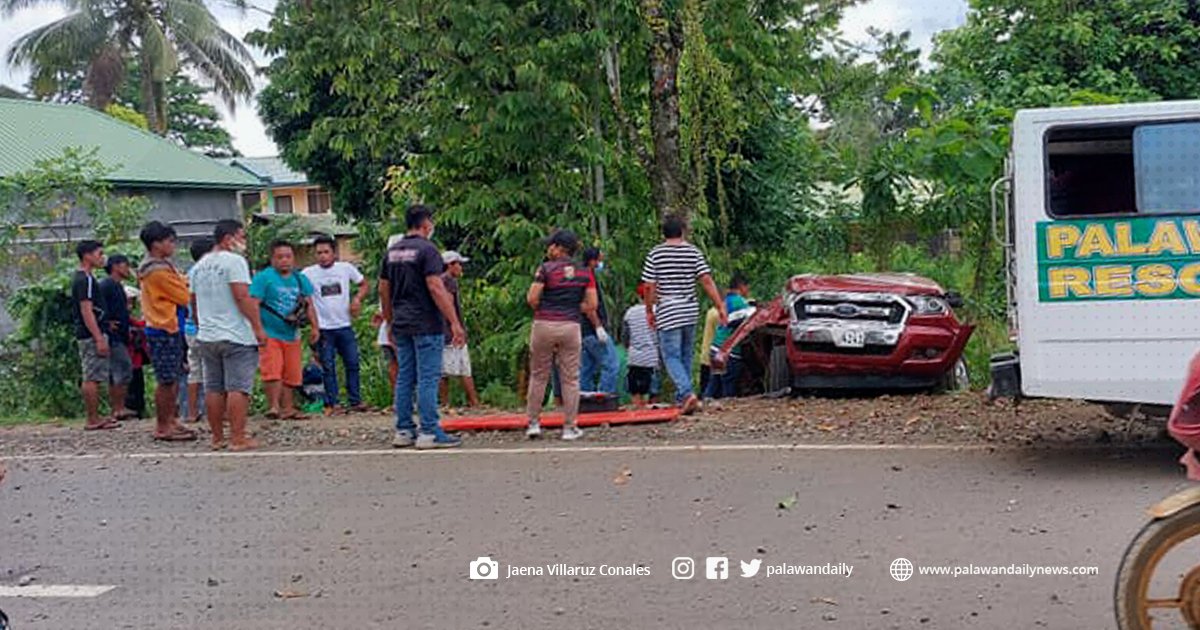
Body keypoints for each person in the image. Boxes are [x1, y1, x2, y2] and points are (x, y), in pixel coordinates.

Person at [379, 205, 466, 449]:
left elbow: (383, 289)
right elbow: (436, 287)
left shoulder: (392, 252)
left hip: (401, 322)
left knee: (405, 375)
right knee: (428, 377)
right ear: (426, 223)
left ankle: (404, 429)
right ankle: (429, 431)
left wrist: (389, 321)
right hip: (426, 322)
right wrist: (454, 322)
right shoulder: (428, 250)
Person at [192, 220, 267, 451]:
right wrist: (257, 328)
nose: (243, 243)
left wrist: (201, 325)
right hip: (235, 334)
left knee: (214, 387)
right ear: (227, 238)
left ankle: (217, 438)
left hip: (207, 334)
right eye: (241, 237)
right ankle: (237, 437)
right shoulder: (235, 262)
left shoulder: (199, 266)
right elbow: (242, 297)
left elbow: (193, 303)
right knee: (238, 387)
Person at [640, 214, 726, 415]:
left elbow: (648, 286)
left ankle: (686, 393)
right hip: (689, 309)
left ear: (664, 232)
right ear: (683, 231)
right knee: (686, 354)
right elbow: (706, 280)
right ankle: (684, 398)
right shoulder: (693, 252)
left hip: (668, 310)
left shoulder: (656, 254)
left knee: (670, 355)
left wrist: (649, 310)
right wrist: (720, 305)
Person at [525, 229, 598, 441]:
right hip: (571, 326)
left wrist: (547, 306)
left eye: (551, 245)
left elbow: (532, 298)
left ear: (559, 248)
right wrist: (573, 307)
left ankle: (533, 423)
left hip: (544, 324)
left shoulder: (545, 269)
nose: (549, 249)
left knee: (539, 375)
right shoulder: (585, 273)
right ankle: (569, 426)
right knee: (570, 378)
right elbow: (593, 304)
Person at [137, 221, 196, 442]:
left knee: (173, 376)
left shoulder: (162, 266)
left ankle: (170, 420)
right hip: (162, 328)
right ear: (156, 244)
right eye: (169, 241)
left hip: (170, 326)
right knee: (166, 380)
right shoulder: (157, 271)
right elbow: (182, 294)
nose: (173, 246)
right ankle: (163, 426)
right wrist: (183, 282)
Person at [251, 239, 319, 420]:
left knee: (292, 372)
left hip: (291, 333)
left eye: (288, 256)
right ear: (272, 259)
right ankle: (273, 406)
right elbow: (254, 304)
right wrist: (258, 329)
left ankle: (288, 408)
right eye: (280, 257)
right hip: (270, 332)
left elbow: (309, 304)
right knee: (272, 370)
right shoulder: (263, 278)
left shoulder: (300, 279)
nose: (284, 260)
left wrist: (315, 327)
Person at [303, 234, 370, 414]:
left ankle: (355, 400)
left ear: (334, 253)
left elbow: (364, 284)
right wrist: (312, 324)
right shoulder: (308, 274)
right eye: (319, 253)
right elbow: (300, 294)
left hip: (344, 325)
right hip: (324, 328)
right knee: (328, 366)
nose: (322, 256)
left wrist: (357, 299)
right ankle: (334, 403)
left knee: (353, 363)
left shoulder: (345, 268)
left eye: (326, 252)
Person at [72, 240, 120, 431]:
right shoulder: (86, 280)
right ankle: (92, 418)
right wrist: (98, 336)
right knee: (91, 376)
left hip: (93, 331)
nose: (103, 258)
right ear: (87, 256)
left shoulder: (85, 278)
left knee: (95, 375)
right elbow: (86, 309)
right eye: (99, 254)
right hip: (90, 334)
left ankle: (96, 415)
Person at [438, 250, 480, 408]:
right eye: (459, 264)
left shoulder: (439, 280)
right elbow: (448, 305)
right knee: (463, 367)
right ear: (450, 265)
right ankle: (473, 401)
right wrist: (456, 326)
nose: (461, 267)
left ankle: (445, 403)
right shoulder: (449, 281)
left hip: (442, 330)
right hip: (450, 331)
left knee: (443, 370)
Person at [97, 254, 135, 421]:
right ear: (116, 266)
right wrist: (105, 323)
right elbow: (94, 306)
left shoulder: (117, 286)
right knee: (123, 368)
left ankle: (118, 407)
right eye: (126, 265)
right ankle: (118, 408)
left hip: (120, 334)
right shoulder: (106, 285)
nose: (128, 269)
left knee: (119, 370)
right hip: (113, 336)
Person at [704, 274, 752, 402]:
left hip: (715, 348)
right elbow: (751, 319)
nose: (748, 291)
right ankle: (726, 412)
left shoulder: (725, 301)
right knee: (728, 385)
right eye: (748, 288)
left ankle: (704, 406)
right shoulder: (740, 302)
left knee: (713, 382)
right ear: (742, 286)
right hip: (729, 352)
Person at [578, 247, 619, 396]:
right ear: (592, 261)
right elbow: (590, 306)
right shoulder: (588, 276)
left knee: (587, 368)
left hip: (584, 331)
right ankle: (604, 396)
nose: (601, 263)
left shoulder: (581, 275)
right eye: (599, 260)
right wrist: (598, 327)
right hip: (592, 329)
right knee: (611, 363)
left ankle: (583, 399)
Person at [182, 237, 214, 423]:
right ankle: (215, 412)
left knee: (194, 371)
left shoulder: (189, 273)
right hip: (206, 326)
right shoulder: (207, 273)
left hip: (190, 328)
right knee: (212, 371)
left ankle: (192, 412)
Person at [622, 283, 660, 408]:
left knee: (635, 390)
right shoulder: (657, 311)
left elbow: (625, 337)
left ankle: (636, 412)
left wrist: (628, 348)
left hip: (634, 358)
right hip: (652, 359)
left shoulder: (630, 312)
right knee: (653, 392)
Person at [699, 306, 719, 396]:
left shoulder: (712, 311)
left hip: (706, 357)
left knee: (705, 389)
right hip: (714, 359)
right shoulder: (717, 314)